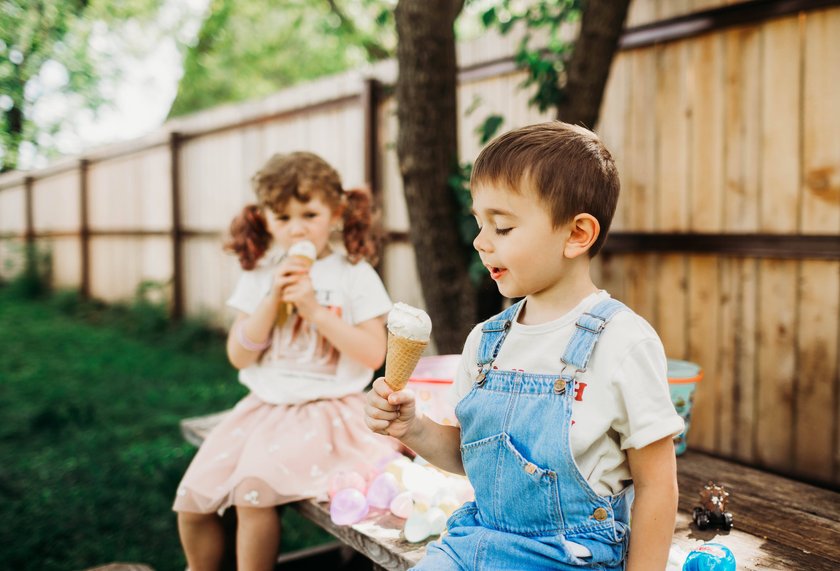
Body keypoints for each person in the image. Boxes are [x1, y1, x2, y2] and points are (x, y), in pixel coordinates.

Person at [365, 121, 685, 571]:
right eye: (479, 223)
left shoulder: (623, 342)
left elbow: (657, 485)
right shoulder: (486, 342)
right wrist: (413, 425)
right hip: (474, 542)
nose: (480, 242)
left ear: (576, 234)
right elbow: (471, 456)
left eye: (502, 227)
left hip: (566, 556)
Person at [174, 151, 398, 571]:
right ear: (265, 220)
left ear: (335, 214)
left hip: (327, 413)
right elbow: (238, 353)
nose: (296, 228)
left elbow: (373, 354)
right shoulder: (260, 274)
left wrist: (313, 310)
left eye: (309, 214)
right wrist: (272, 297)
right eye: (282, 218)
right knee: (193, 502)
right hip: (263, 411)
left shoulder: (354, 274)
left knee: (252, 495)